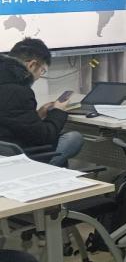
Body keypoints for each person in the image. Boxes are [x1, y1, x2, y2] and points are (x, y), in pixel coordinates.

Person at [0, 38, 82, 166]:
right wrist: (58, 111)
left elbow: (12, 121)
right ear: (32, 65)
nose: (40, 76)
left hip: (5, 149)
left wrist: (38, 114)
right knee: (74, 138)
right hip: (17, 156)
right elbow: (43, 137)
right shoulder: (19, 92)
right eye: (42, 70)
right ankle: (42, 171)